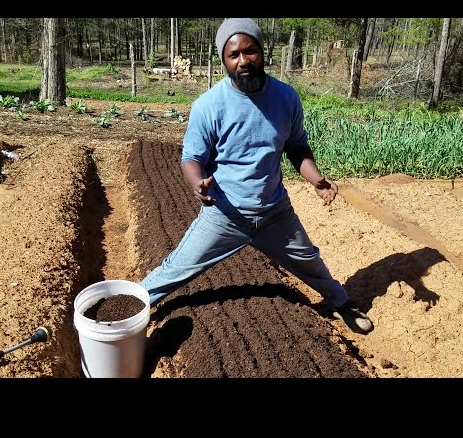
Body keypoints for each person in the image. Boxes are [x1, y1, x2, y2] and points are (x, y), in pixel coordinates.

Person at [140, 18, 373, 334]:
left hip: (274, 214)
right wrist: (197, 182)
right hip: (224, 215)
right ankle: (130, 309)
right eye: (233, 55)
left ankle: (341, 304)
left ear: (263, 52)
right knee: (175, 270)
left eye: (250, 51)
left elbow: (296, 146)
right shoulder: (208, 106)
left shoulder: (286, 98)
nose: (243, 61)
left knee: (311, 263)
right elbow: (192, 158)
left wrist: (315, 178)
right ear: (223, 60)